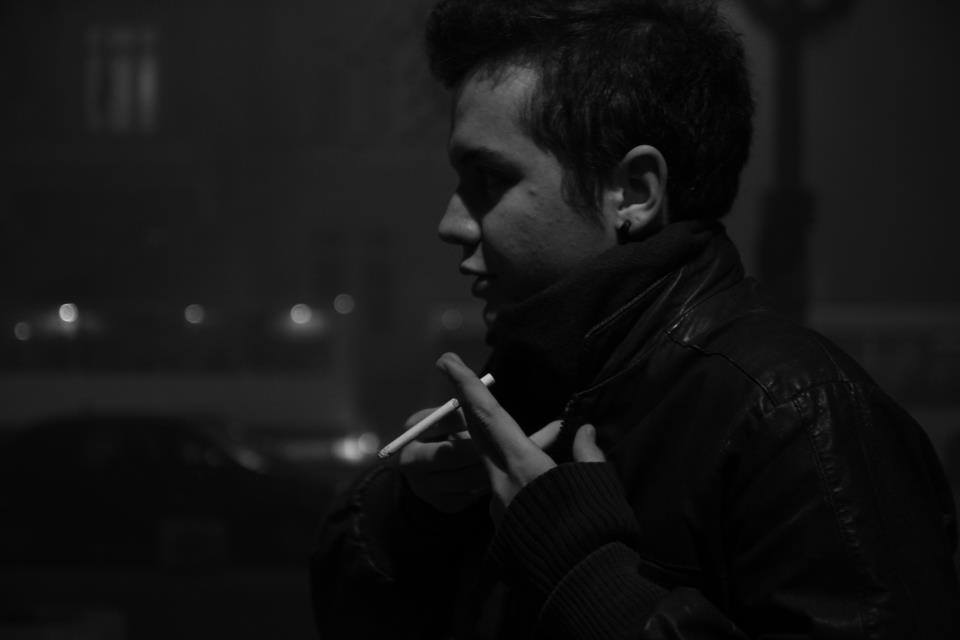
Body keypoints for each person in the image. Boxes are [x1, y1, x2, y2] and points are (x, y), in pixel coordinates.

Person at [310, 1, 960, 637]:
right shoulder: (529, 381)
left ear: (635, 192)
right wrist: (417, 513)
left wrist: (584, 574)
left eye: (489, 179)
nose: (450, 223)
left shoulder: (797, 415)